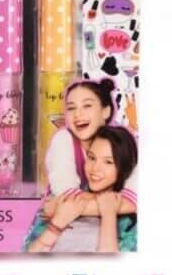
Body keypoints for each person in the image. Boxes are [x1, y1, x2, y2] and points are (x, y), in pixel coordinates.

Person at [26, 126, 138, 252]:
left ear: (124, 167)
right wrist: (57, 223)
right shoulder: (59, 201)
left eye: (108, 162)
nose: (95, 168)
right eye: (92, 158)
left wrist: (108, 215)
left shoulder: (130, 221)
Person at [43, 77, 137, 217]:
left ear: (105, 111)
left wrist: (59, 207)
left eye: (87, 106)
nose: (78, 114)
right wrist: (116, 204)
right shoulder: (63, 140)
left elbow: (132, 201)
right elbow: (66, 195)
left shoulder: (122, 141)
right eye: (71, 108)